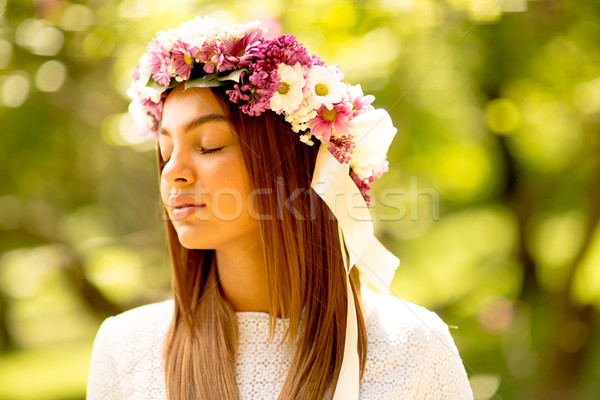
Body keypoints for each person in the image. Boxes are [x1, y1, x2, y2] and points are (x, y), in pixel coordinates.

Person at [86, 16, 474, 400]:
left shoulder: (412, 347)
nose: (173, 173)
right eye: (165, 152)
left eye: (209, 145)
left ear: (290, 166)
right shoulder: (124, 349)